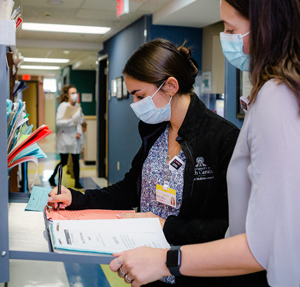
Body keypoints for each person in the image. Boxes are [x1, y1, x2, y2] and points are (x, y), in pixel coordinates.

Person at [108, 0, 300, 286]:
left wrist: (164, 258)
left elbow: (262, 245)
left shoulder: (275, 99)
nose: (227, 37)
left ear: (267, 25)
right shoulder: (275, 95)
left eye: (231, 29)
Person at [48, 38, 239, 286]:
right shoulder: (157, 131)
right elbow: (130, 188)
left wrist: (164, 226)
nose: (135, 105)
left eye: (140, 96)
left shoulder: (222, 139)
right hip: (145, 271)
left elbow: (228, 228)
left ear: (170, 85)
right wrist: (79, 198)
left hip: (191, 274)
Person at [49, 84, 84, 189]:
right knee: (63, 161)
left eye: (75, 93)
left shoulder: (78, 107)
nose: (74, 95)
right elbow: (59, 122)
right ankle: (52, 178)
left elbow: (80, 122)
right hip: (64, 136)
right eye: (72, 93)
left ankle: (77, 182)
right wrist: (71, 121)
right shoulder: (63, 106)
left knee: (75, 161)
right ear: (67, 95)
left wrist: (79, 132)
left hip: (75, 137)